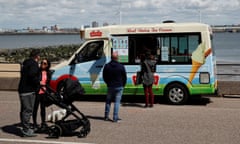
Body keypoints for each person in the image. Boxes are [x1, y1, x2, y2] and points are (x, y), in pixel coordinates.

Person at [18, 49, 40, 137]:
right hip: (28, 90)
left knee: (24, 110)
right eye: (39, 56)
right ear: (36, 56)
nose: (39, 57)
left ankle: (25, 127)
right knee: (28, 110)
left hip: (22, 89)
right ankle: (26, 130)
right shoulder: (33, 64)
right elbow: (32, 75)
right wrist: (39, 82)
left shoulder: (25, 63)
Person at [103, 52, 127, 122]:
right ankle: (115, 118)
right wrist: (123, 85)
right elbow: (124, 77)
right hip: (119, 86)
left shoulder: (107, 66)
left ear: (111, 57)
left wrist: (107, 83)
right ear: (117, 58)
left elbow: (104, 76)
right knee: (117, 102)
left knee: (108, 101)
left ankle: (106, 116)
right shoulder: (121, 66)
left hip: (110, 86)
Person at [32, 58, 51, 132]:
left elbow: (48, 83)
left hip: (44, 92)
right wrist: (39, 83)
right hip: (37, 92)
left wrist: (48, 91)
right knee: (35, 108)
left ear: (47, 65)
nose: (43, 64)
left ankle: (43, 122)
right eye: (42, 63)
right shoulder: (38, 71)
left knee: (43, 109)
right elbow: (34, 80)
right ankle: (34, 123)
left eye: (45, 63)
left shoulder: (48, 73)